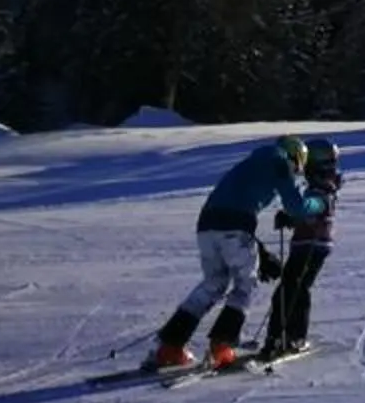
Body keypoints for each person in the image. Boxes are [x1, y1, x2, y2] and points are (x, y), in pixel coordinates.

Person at [146, 135, 327, 371]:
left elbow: (234, 202)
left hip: (207, 226)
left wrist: (259, 250)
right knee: (245, 285)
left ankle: (170, 347)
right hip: (235, 228)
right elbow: (296, 208)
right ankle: (221, 346)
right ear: (296, 157)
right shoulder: (281, 163)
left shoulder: (251, 162)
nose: (298, 171)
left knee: (213, 283)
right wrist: (319, 203)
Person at [256, 137, 342, 359]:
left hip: (313, 245)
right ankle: (279, 336)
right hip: (305, 244)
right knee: (290, 289)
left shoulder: (324, 189)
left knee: (294, 289)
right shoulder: (319, 187)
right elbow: (309, 212)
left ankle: (292, 337)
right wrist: (291, 218)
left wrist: (294, 214)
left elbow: (315, 208)